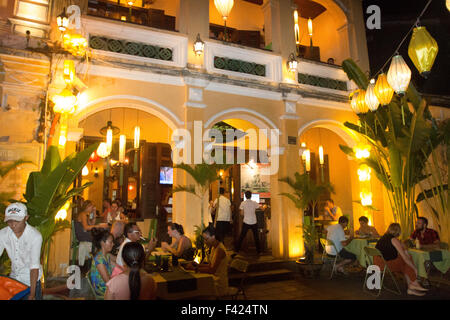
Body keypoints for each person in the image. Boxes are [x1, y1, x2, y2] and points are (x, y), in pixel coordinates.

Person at [0, 203, 43, 300]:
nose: (13, 225)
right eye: (10, 221)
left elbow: (34, 267)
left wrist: (32, 294)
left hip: (31, 282)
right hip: (13, 281)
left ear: (26, 218)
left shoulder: (35, 236)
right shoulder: (3, 234)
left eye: (17, 221)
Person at [375, 223, 428, 296]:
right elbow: (405, 258)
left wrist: (403, 247)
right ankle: (413, 283)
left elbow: (400, 247)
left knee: (405, 261)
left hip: (378, 263)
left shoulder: (383, 237)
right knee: (407, 259)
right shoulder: (393, 240)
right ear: (398, 231)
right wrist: (414, 268)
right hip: (386, 265)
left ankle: (411, 287)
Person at [184, 226, 229, 297]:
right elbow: (210, 265)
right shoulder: (214, 247)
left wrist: (194, 269)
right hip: (213, 278)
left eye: (206, 239)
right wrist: (197, 265)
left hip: (218, 282)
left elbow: (212, 270)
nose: (205, 242)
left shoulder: (220, 250)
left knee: (196, 286)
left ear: (213, 237)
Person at [75, 201, 109, 267]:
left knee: (101, 236)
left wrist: (94, 212)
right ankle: (97, 259)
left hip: (85, 234)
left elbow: (92, 224)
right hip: (82, 235)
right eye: (92, 207)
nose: (93, 208)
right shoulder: (83, 214)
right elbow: (86, 227)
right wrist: (99, 226)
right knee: (100, 238)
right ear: (87, 206)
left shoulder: (86, 214)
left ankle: (98, 258)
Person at [89, 228, 115, 297]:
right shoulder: (99, 260)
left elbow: (118, 261)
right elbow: (108, 282)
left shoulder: (107, 255)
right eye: (111, 242)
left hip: (107, 286)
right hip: (102, 290)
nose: (113, 244)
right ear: (102, 243)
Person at [235, 191, 261, 255]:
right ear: (251, 196)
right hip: (254, 221)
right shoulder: (254, 202)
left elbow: (241, 213)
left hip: (246, 221)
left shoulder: (243, 203)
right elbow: (260, 208)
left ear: (245, 196)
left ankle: (237, 250)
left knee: (242, 236)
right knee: (256, 237)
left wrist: (245, 213)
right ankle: (259, 251)